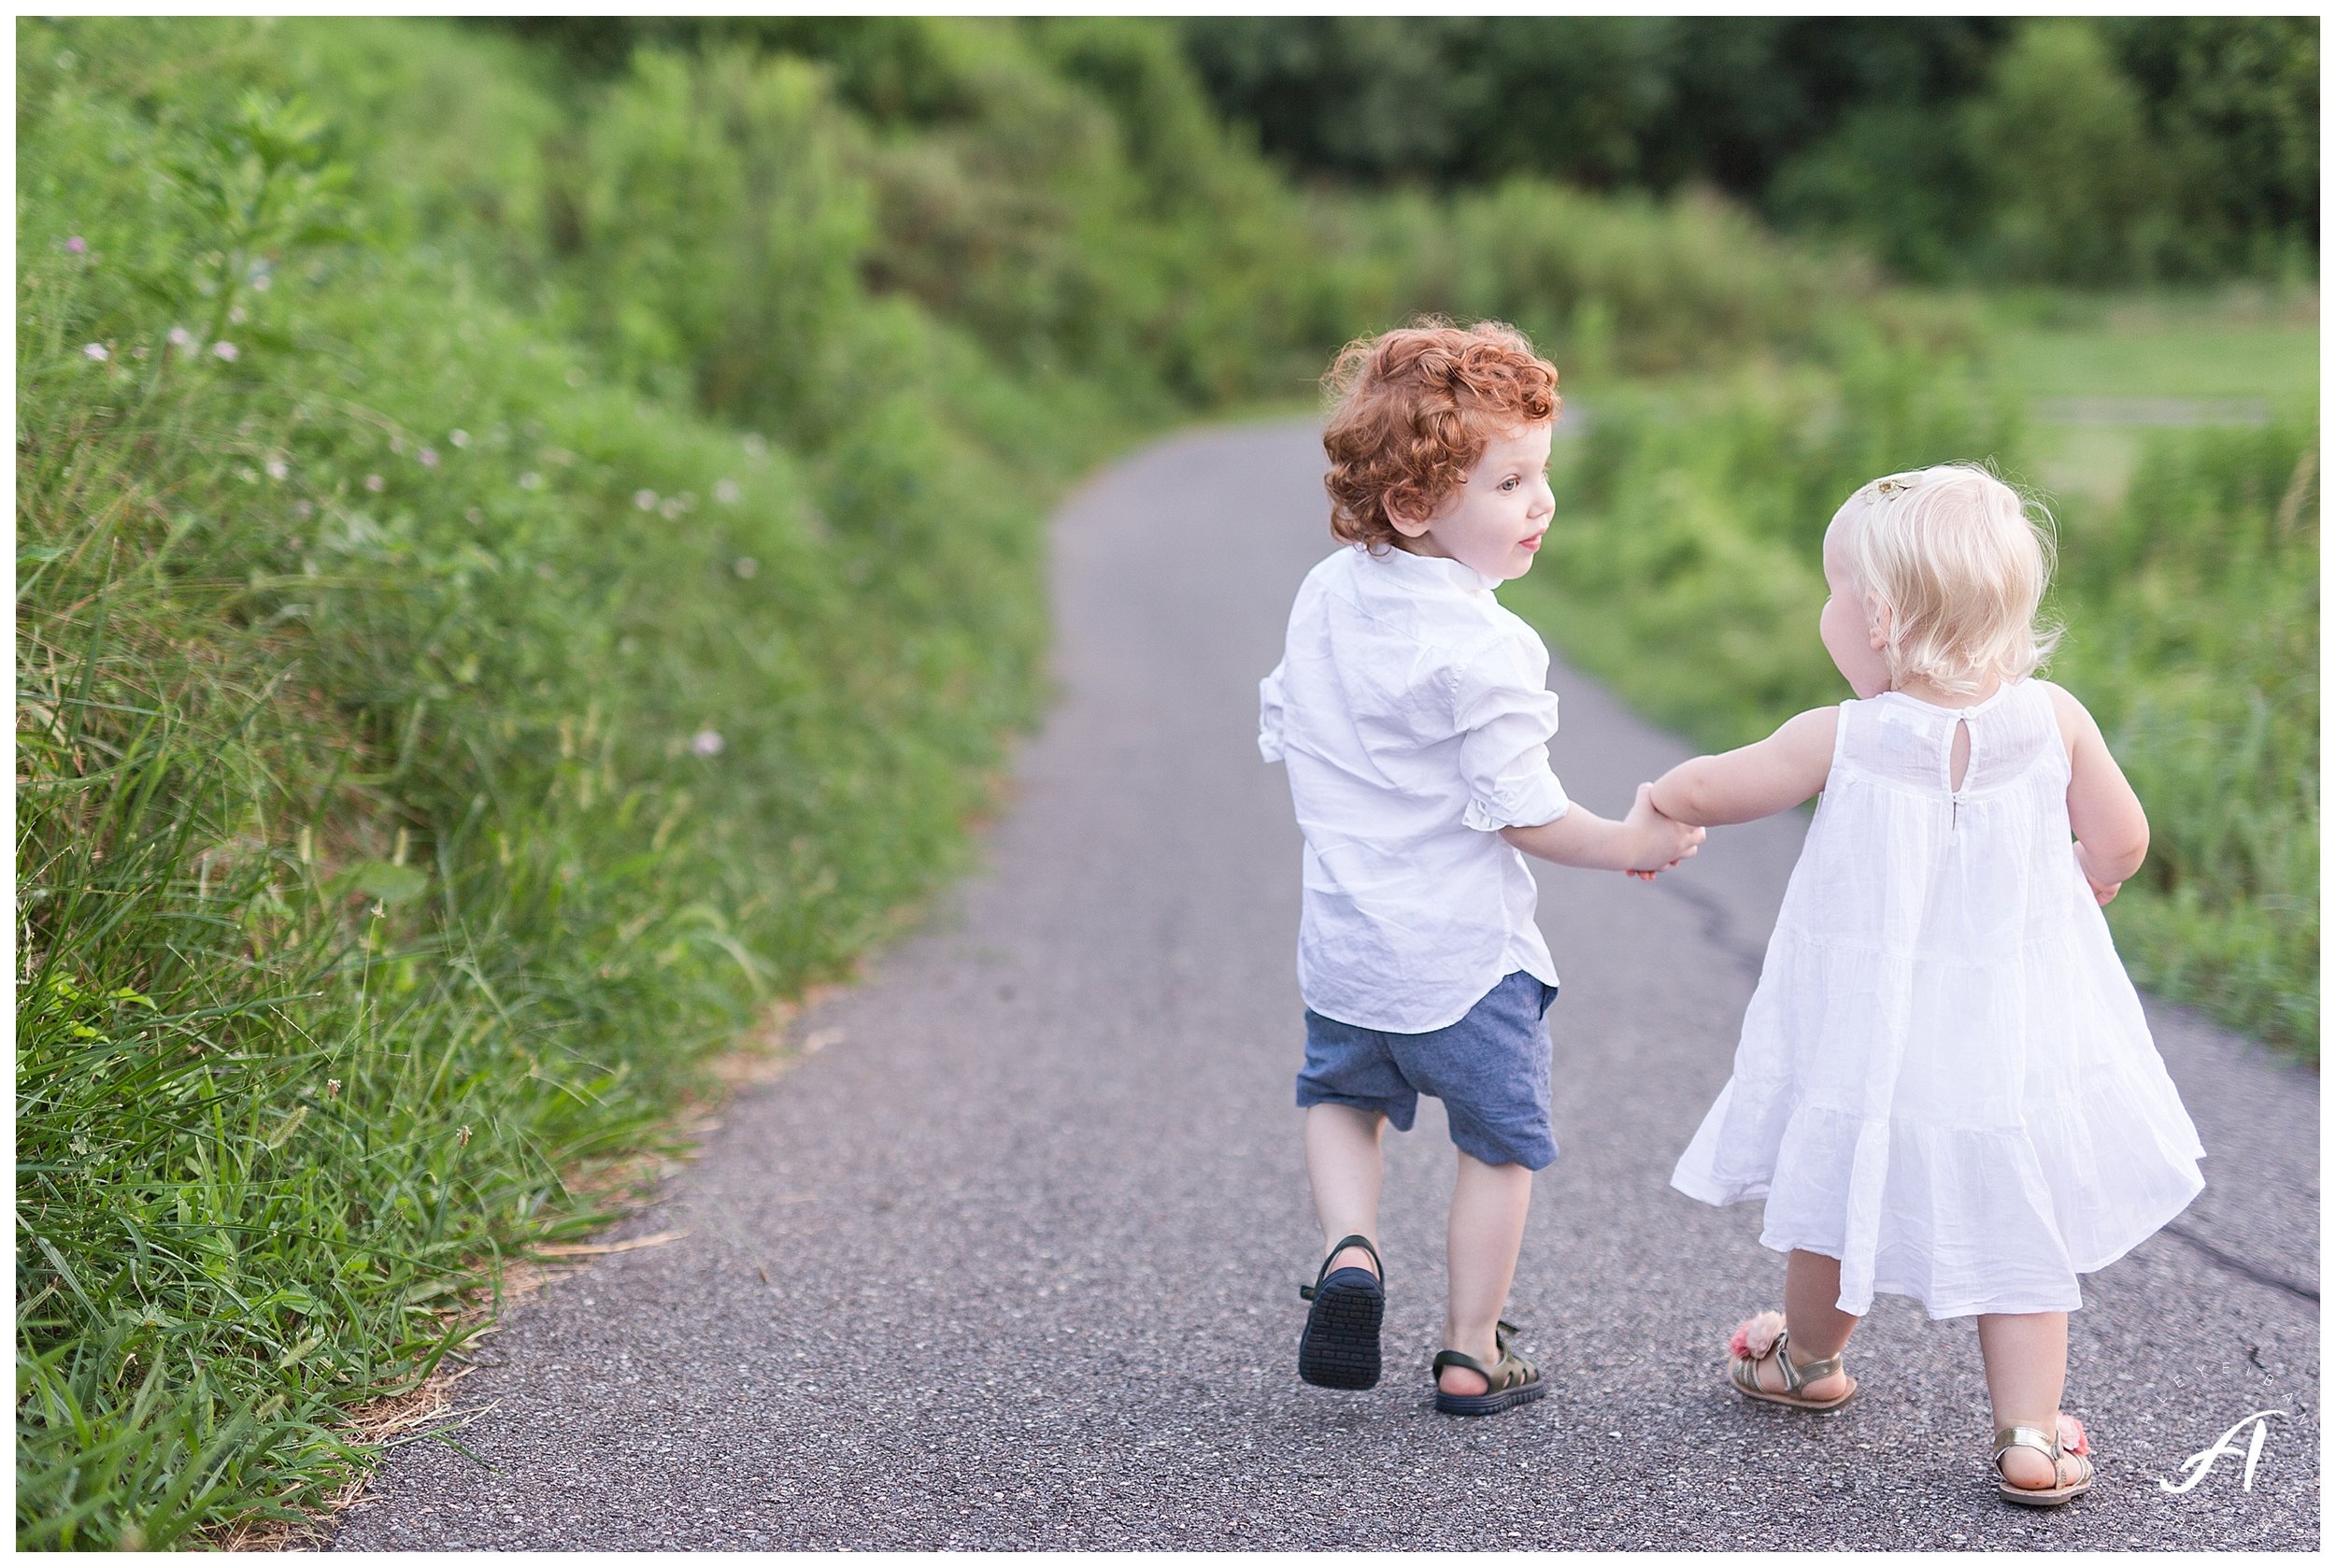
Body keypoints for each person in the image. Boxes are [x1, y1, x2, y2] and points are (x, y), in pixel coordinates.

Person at [1653, 464, 2205, 1504]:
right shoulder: (2052, 719)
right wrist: (2095, 880)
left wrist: (1658, 799)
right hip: (2008, 1029)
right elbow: (2123, 834)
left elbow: (1717, 785)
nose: (1825, 611)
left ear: (1879, 617)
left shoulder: (1846, 735)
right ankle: (2032, 1437)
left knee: (1843, 1167)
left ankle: (1805, 1359)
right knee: (2019, 1214)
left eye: (1832, 591)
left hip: (1874, 1029)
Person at [1259, 320, 1703, 1415]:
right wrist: (1632, 841)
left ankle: (1351, 1249)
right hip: (1466, 960)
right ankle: (1469, 1349)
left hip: (1348, 949)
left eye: (1540, 476)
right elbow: (1522, 811)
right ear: (1415, 507)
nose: (1539, 504)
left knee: (1336, 1098)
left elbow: (1285, 724)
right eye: (1509, 483)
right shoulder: (1485, 642)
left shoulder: (1324, 594)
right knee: (1499, 1146)